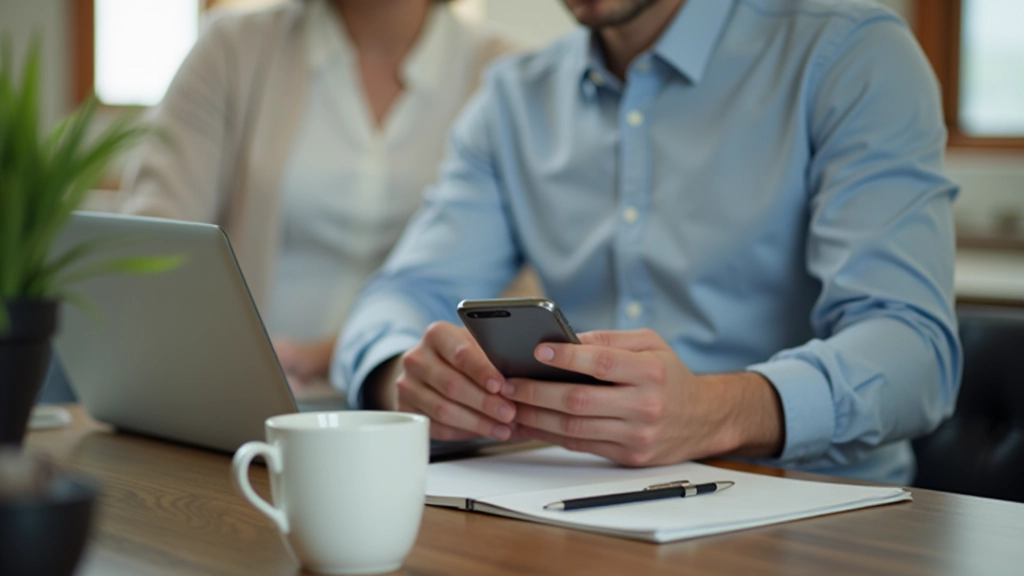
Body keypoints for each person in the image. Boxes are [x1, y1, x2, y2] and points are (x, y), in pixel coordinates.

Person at [335, 0, 962, 484]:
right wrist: (402, 379)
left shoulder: (851, 54)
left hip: (819, 517)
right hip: (575, 505)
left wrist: (719, 411)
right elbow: (404, 294)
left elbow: (915, 349)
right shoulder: (511, 100)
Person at [119, 0, 516, 390]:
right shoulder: (233, 48)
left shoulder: (508, 76)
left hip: (410, 396)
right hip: (237, 387)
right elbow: (153, 243)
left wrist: (331, 354)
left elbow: (514, 286)